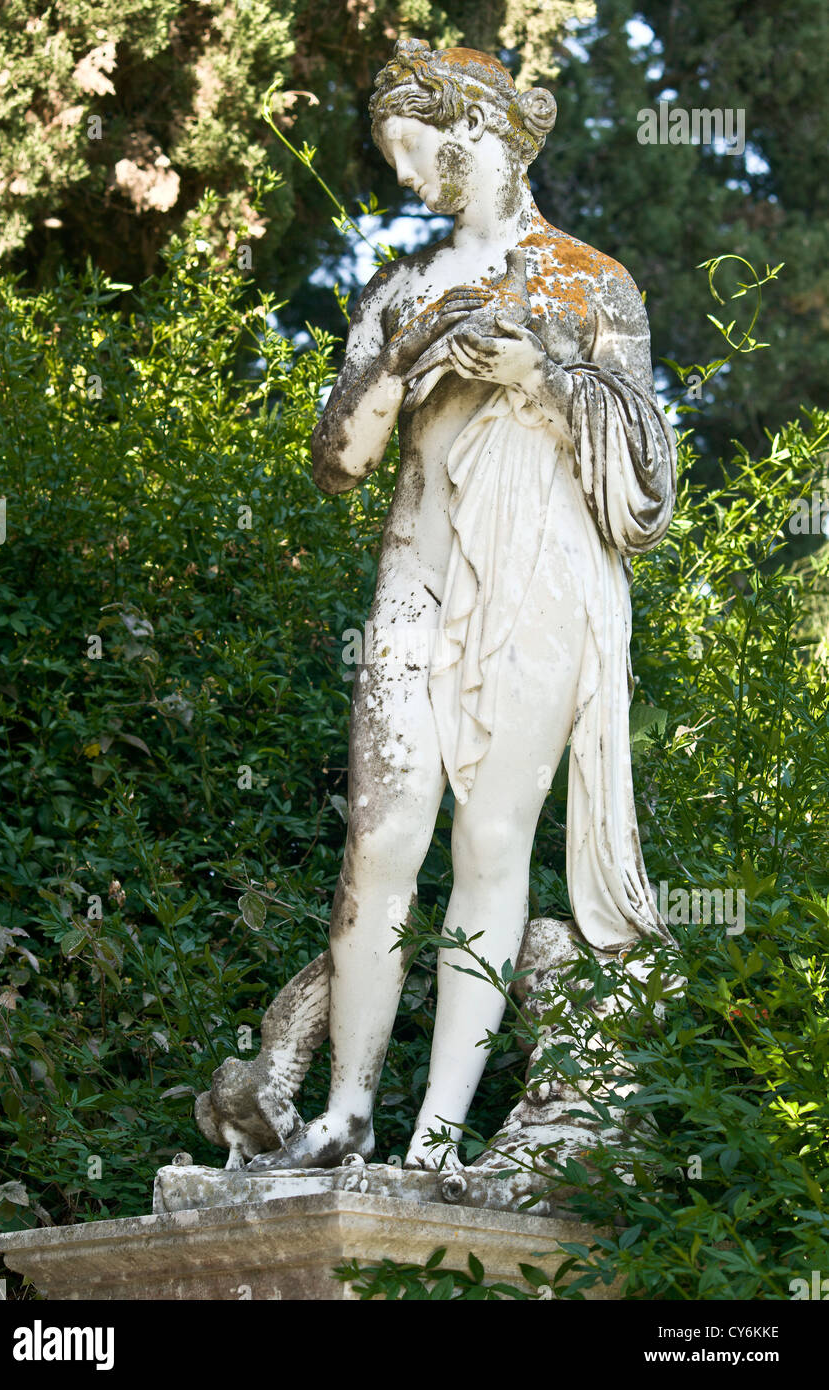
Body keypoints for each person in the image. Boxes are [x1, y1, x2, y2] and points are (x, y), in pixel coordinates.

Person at [248, 38, 676, 1174]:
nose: (403, 177)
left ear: (468, 127)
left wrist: (534, 366)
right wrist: (397, 359)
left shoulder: (589, 282)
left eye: (410, 147)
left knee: (491, 843)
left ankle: (436, 1136)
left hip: (536, 577)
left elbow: (647, 486)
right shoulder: (399, 286)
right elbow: (337, 461)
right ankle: (345, 1110)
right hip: (414, 580)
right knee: (382, 838)